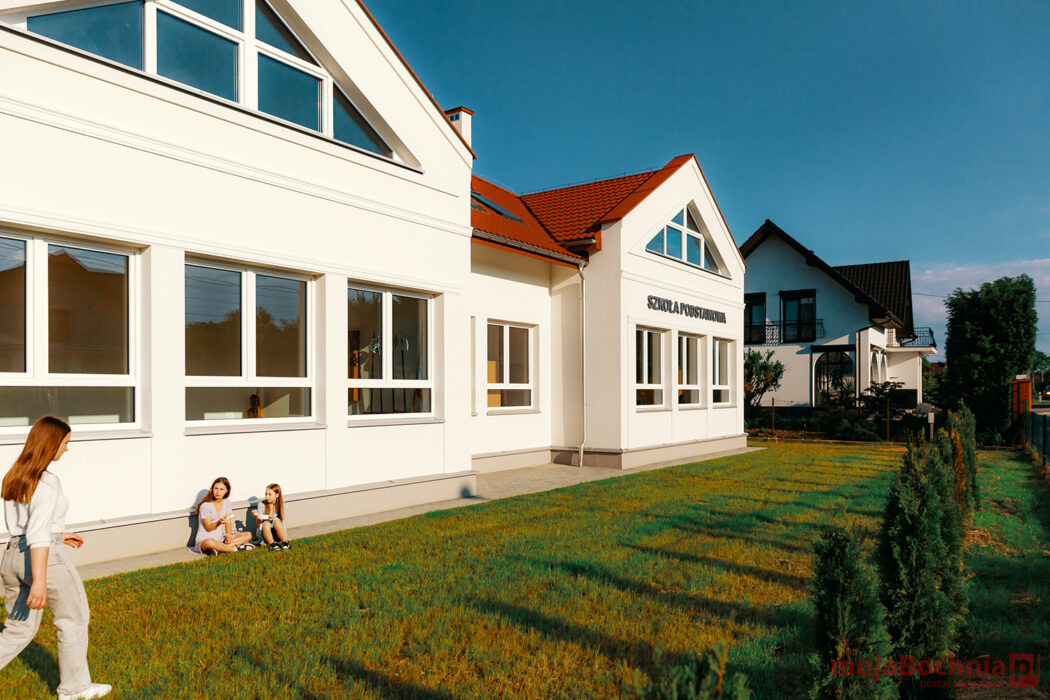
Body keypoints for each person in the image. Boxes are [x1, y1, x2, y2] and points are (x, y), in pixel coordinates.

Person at [0, 416, 112, 700]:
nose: (67, 448)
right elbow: (37, 532)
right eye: (65, 442)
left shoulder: (15, 476)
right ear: (50, 443)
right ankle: (74, 689)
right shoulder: (48, 482)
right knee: (73, 619)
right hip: (43, 558)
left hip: (12, 556)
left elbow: (27, 525)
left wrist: (59, 534)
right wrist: (39, 581)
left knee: (17, 630)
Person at [191, 477, 254, 555]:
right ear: (212, 489)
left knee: (248, 535)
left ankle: (220, 549)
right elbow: (209, 528)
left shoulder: (227, 502)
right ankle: (235, 549)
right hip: (205, 540)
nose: (218, 492)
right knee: (209, 542)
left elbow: (228, 521)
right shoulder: (205, 506)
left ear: (226, 491)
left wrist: (228, 536)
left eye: (221, 489)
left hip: (220, 539)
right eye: (216, 488)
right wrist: (219, 522)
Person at [255, 483, 290, 551]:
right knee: (266, 523)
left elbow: (281, 521)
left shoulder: (283, 505)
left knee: (276, 520)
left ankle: (285, 542)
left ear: (277, 495)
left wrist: (273, 519)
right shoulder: (261, 504)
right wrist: (257, 516)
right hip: (265, 535)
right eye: (266, 494)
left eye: (269, 494)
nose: (267, 497)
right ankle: (272, 544)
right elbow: (258, 525)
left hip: (278, 534)